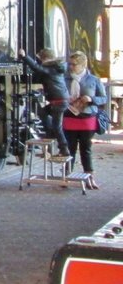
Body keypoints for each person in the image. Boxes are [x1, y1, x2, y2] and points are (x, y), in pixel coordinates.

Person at [63, 50, 106, 189]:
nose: (71, 67)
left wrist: (91, 99)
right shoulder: (65, 79)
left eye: (74, 64)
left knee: (85, 149)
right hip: (69, 117)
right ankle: (67, 176)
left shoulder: (93, 80)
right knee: (69, 149)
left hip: (87, 119)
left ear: (83, 65)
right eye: (70, 64)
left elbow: (103, 99)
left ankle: (89, 177)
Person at [18, 47, 71, 156]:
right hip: (60, 100)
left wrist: (24, 56)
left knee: (56, 126)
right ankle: (50, 142)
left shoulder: (51, 68)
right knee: (43, 114)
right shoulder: (56, 67)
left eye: (41, 59)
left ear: (45, 58)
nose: (40, 61)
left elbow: (37, 68)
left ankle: (64, 149)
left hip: (58, 101)